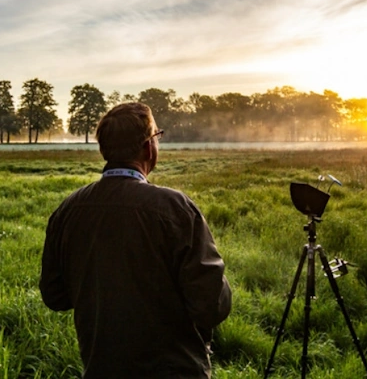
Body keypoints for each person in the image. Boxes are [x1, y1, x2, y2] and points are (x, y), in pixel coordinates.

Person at [40, 102, 232, 378]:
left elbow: (55, 295)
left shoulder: (68, 210)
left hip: (101, 369)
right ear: (148, 147)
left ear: (105, 149)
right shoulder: (175, 208)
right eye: (157, 136)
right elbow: (212, 306)